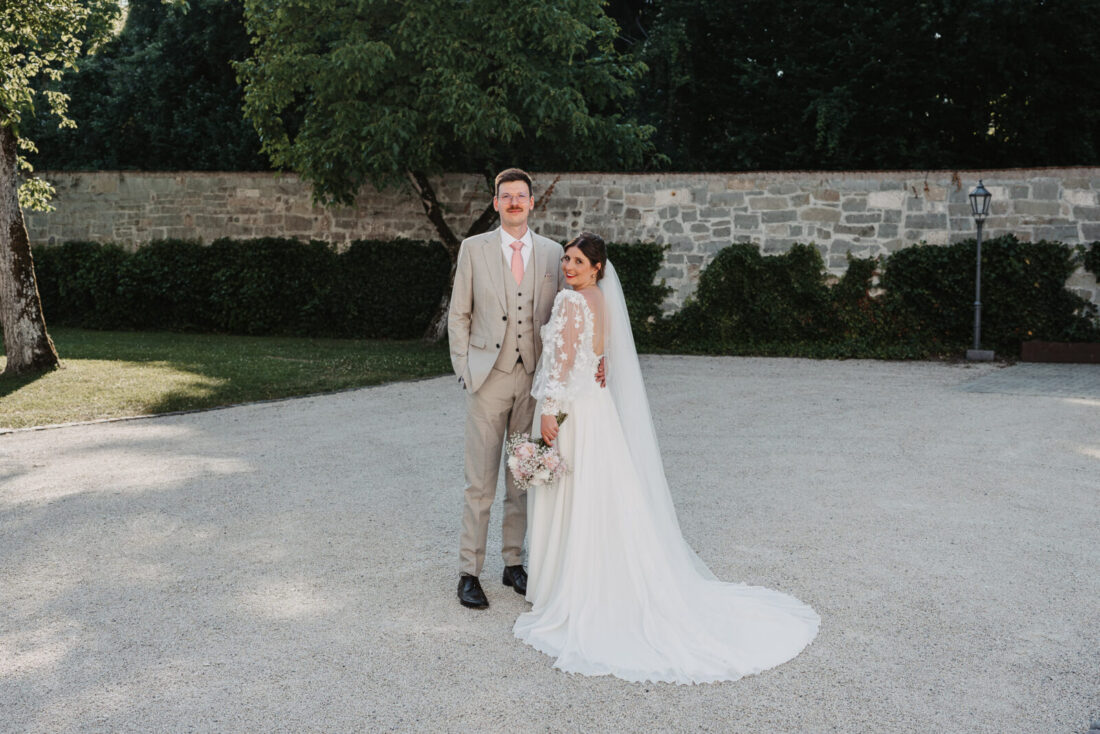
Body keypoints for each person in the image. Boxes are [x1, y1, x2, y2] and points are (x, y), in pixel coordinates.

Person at [514, 232, 820, 684]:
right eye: (566, 260)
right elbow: (601, 361)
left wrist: (549, 411)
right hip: (599, 411)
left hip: (575, 410)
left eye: (578, 261)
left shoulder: (571, 303)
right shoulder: (600, 301)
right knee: (601, 494)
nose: (569, 267)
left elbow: (560, 364)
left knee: (575, 491)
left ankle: (569, 585)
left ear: (597, 267)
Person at [447, 168, 566, 609]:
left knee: (523, 477)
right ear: (495, 203)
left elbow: (564, 314)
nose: (514, 202)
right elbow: (458, 314)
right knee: (479, 482)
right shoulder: (473, 250)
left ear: (533, 203)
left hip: (532, 381)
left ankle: (513, 562)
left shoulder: (554, 253)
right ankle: (468, 572)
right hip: (488, 378)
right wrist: (465, 368)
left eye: (521, 196)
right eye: (506, 196)